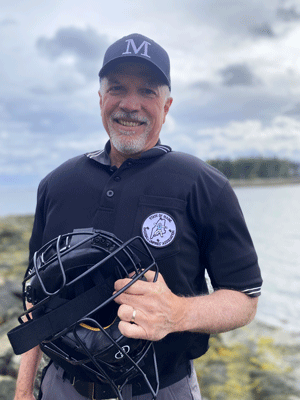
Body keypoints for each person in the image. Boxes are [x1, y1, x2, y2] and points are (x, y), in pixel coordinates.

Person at [14, 33, 262, 400]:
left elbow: (245, 298)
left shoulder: (205, 185)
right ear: (100, 98)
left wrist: (177, 313)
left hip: (161, 389)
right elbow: (38, 297)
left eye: (147, 91)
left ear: (167, 105)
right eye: (117, 88)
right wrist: (22, 391)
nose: (130, 104)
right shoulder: (57, 184)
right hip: (61, 387)